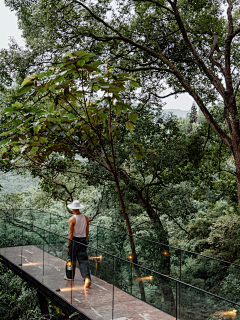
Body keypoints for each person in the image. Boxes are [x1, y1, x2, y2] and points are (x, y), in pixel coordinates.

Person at [65, 200, 91, 288]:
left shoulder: (72, 219)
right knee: (83, 260)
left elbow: (71, 234)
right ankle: (87, 278)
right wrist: (85, 240)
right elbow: (87, 231)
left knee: (71, 259)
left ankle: (70, 276)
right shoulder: (86, 217)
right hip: (83, 240)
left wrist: (68, 245)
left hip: (74, 241)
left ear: (73, 208)